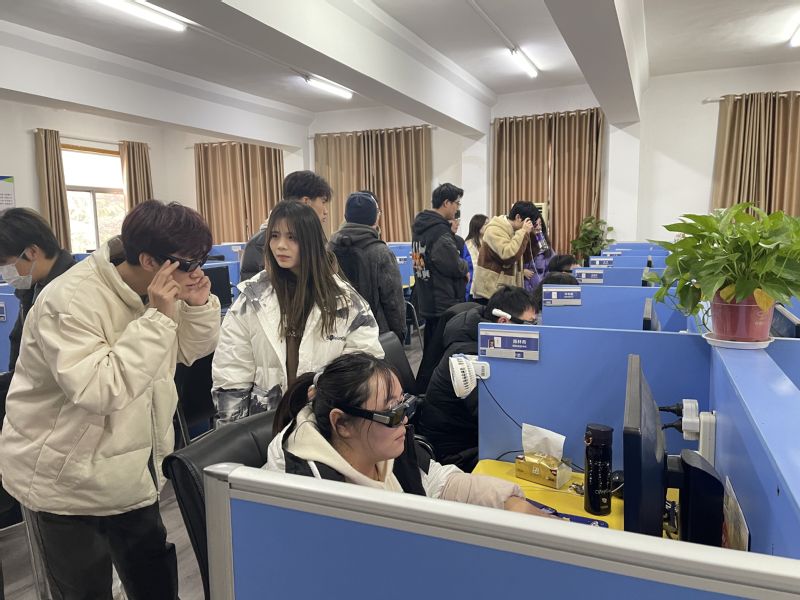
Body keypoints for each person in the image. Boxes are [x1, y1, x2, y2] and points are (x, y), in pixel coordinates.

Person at [0, 200, 220, 600]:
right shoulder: (69, 302)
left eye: (201, 261)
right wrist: (158, 318)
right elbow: (100, 389)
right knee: (86, 592)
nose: (197, 271)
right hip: (68, 482)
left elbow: (187, 351)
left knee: (155, 584)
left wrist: (198, 306)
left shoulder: (158, 292)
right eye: (189, 263)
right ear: (150, 260)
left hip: (131, 471)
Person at [265, 352, 549, 518]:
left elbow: (437, 482)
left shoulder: (389, 448)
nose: (404, 420)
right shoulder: (303, 497)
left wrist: (510, 503)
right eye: (391, 412)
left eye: (405, 405)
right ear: (342, 424)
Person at [212, 201, 384, 426]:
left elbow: (365, 364)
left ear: (310, 241)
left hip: (325, 425)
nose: (280, 246)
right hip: (267, 425)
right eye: (274, 236)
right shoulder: (252, 299)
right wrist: (236, 433)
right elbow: (232, 371)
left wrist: (327, 393)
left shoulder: (345, 302)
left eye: (292, 237)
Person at [417, 286, 537, 472]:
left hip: (473, 436)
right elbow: (498, 417)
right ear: (503, 322)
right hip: (456, 453)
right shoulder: (470, 358)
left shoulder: (486, 344)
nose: (536, 332)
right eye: (530, 325)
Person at [328, 191, 405, 342]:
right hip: (374, 334)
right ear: (375, 218)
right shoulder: (381, 252)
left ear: (346, 216)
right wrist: (398, 336)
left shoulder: (329, 248)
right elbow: (394, 302)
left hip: (336, 334)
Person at [412, 183, 468, 385]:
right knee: (438, 358)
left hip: (427, 297)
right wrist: (464, 268)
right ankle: (427, 393)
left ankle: (425, 390)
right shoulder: (439, 232)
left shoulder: (421, 228)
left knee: (431, 353)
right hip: (443, 301)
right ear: (446, 203)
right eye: (457, 203)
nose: (457, 208)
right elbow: (453, 264)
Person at [240, 170, 333, 281]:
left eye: (292, 237)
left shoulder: (316, 237)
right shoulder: (260, 244)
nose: (326, 211)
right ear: (306, 202)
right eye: (323, 202)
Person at [472, 201, 536, 301]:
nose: (530, 225)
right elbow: (508, 255)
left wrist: (532, 234)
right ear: (518, 217)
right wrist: (523, 232)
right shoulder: (494, 230)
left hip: (506, 293)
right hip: (489, 293)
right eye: (529, 222)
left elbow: (527, 257)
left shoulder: (516, 232)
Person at [522, 210, 555, 293]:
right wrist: (521, 272)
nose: (539, 228)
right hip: (524, 289)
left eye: (540, 224)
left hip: (542, 289)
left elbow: (552, 264)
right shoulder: (521, 242)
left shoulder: (543, 242)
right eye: (536, 224)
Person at [450, 211, 472, 301]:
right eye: (455, 220)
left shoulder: (460, 241)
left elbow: (467, 263)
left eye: (458, 220)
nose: (457, 224)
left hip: (460, 291)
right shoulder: (438, 241)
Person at [464, 214, 489, 284]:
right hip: (472, 282)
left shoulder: (489, 242)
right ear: (478, 225)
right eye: (486, 224)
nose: (489, 226)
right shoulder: (468, 244)